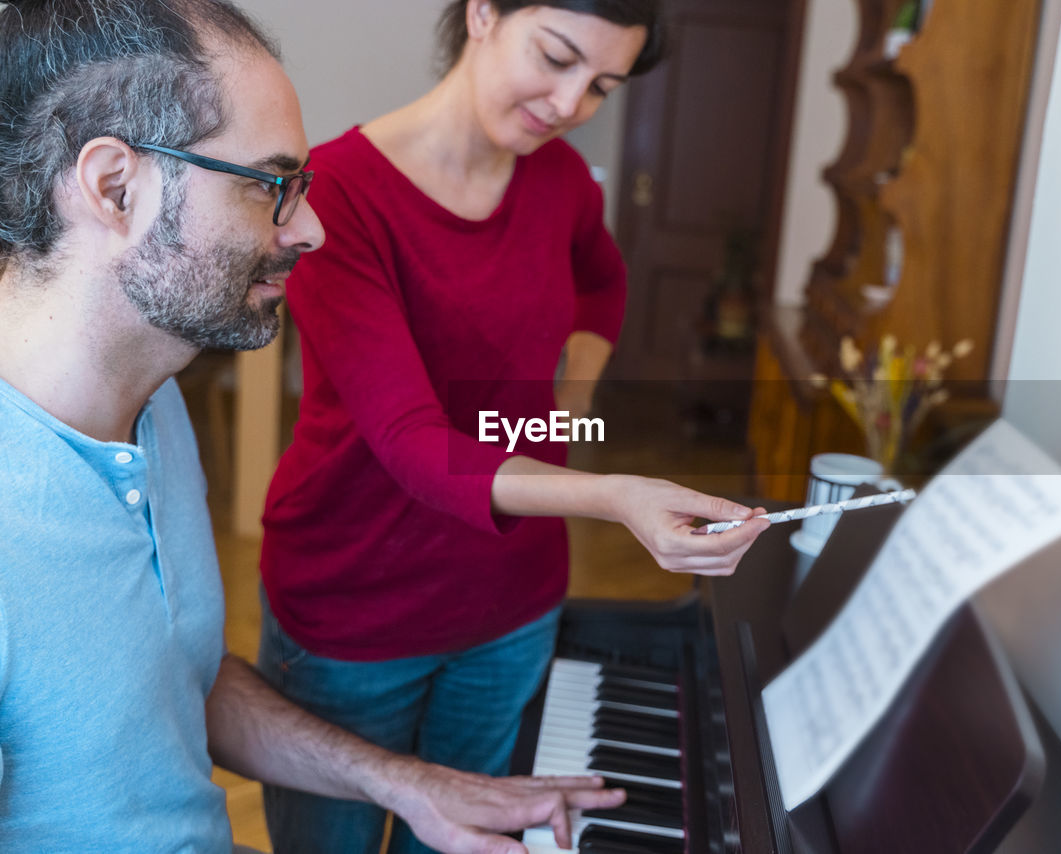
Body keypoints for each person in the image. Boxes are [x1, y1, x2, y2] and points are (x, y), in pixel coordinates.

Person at [0, 1, 629, 851]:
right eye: (270, 185)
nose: (311, 227)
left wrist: (408, 785)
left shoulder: (153, 407)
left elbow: (179, 685)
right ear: (116, 187)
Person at [256, 1, 770, 851]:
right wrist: (612, 492)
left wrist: (565, 407)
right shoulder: (336, 194)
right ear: (483, 13)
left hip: (511, 606)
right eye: (557, 57)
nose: (571, 104)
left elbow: (603, 285)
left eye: (601, 85)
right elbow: (413, 445)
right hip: (355, 609)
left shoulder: (562, 182)